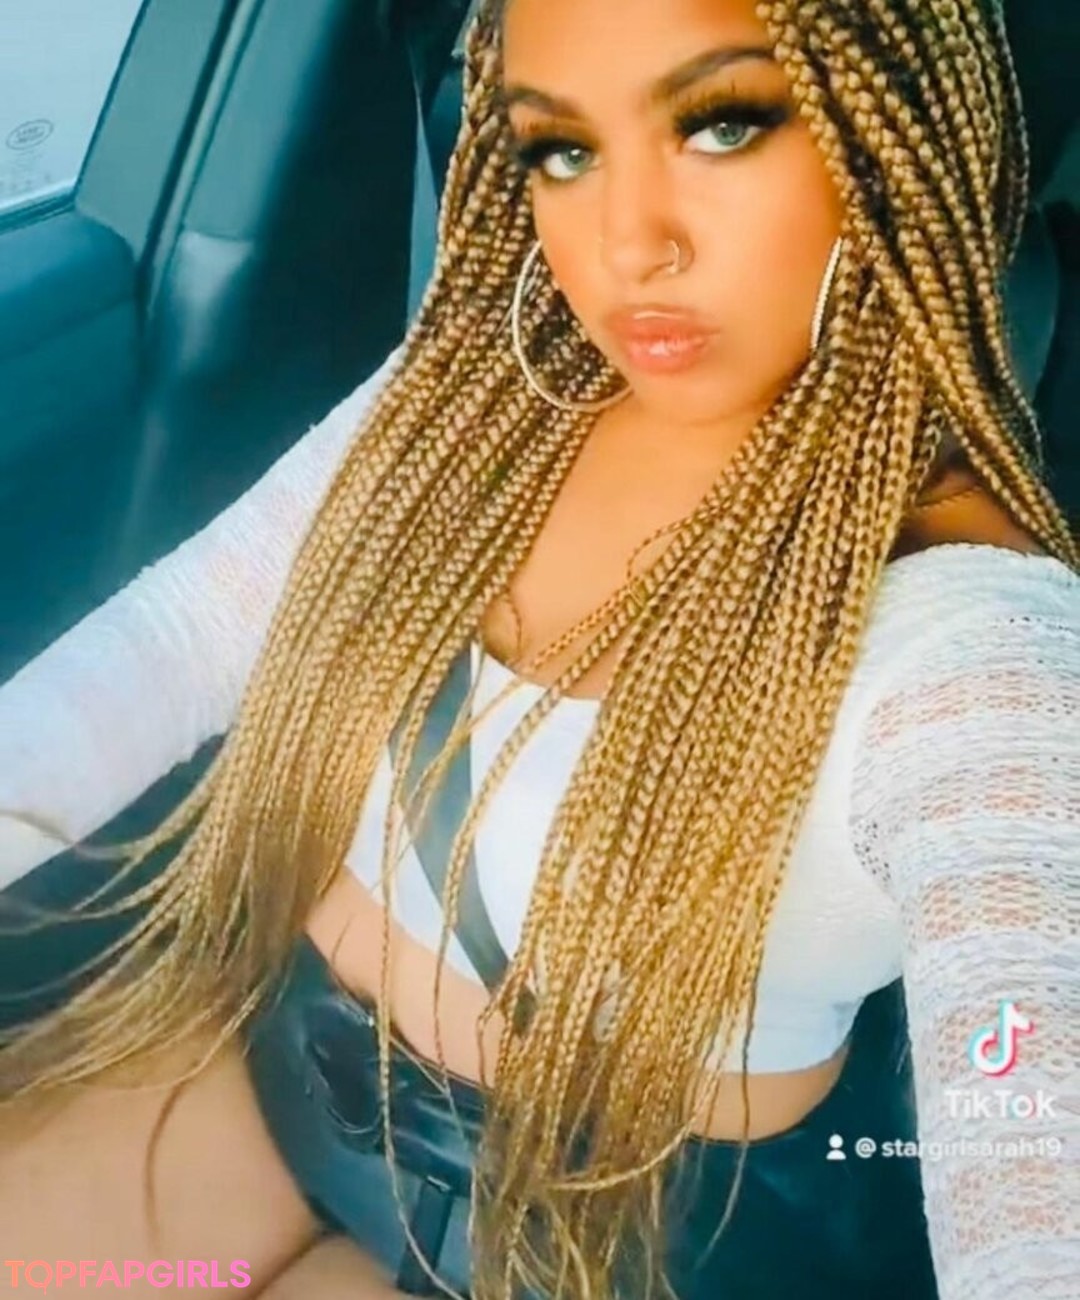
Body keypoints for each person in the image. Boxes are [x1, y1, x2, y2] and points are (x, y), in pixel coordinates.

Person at [0, 0, 1077, 1297]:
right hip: (286, 1091)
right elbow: (172, 644)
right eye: (563, 149)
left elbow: (1032, 1154)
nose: (627, 242)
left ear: (895, 129)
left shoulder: (979, 656)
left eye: (721, 125)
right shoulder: (478, 396)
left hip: (601, 1254)